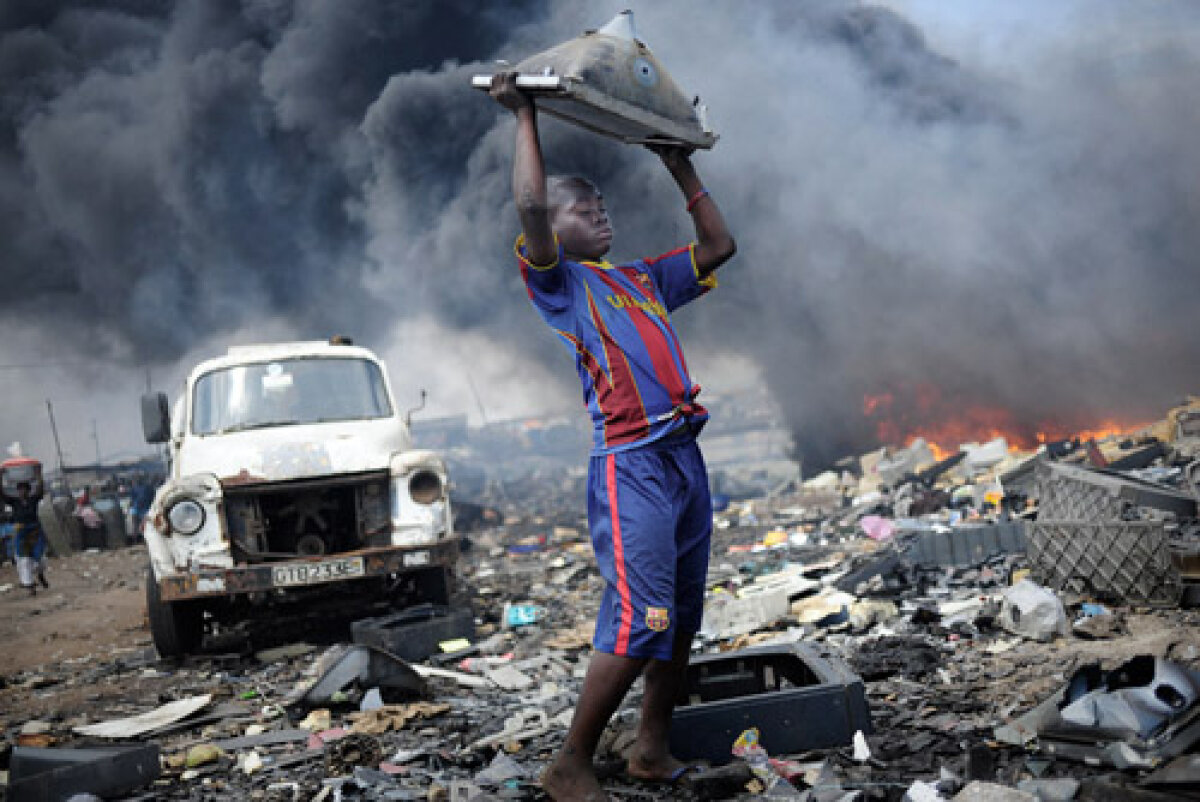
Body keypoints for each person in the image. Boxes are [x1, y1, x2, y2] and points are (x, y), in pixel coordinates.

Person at [489, 73, 736, 800]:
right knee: (643, 616)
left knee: (681, 615)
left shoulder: (640, 279)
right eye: (583, 207)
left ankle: (650, 750)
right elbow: (531, 200)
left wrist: (677, 162)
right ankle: (571, 759)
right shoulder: (557, 282)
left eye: (601, 204)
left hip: (682, 460)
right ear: (552, 228)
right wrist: (525, 111)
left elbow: (719, 244)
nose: (599, 214)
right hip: (632, 468)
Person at [3, 481, 48, 595]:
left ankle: (40, 574)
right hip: (21, 533)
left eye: (24, 489)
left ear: (28, 491)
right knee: (24, 559)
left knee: (40, 559)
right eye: (19, 490)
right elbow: (1, 494)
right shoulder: (14, 502)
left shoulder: (33, 500)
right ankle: (30, 586)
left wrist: (39, 474)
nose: (21, 492)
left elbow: (40, 489)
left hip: (35, 531)